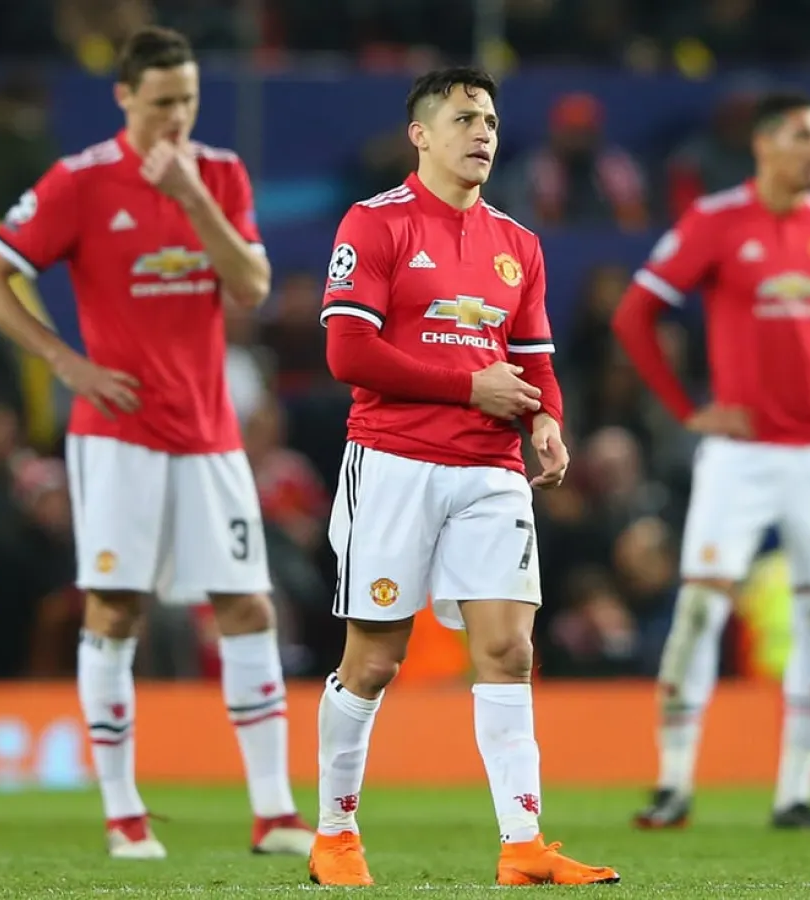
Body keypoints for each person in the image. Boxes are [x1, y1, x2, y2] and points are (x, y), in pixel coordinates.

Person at [0, 26, 312, 859]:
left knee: (248, 605)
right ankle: (123, 815)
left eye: (187, 99)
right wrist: (64, 362)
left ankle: (274, 812)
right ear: (124, 98)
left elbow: (252, 287)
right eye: (161, 104)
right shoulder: (80, 182)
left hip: (209, 433)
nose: (176, 117)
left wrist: (192, 199)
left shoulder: (218, 173)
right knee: (116, 607)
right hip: (117, 434)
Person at [308, 67, 619, 888]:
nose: (482, 132)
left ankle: (524, 845)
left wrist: (546, 419)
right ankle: (335, 836)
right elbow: (347, 352)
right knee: (374, 662)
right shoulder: (374, 224)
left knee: (509, 650)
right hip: (395, 461)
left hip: (490, 468)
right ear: (420, 134)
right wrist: (466, 385)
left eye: (489, 119)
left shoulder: (519, 243)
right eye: (463, 118)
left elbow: (534, 359)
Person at [611, 90, 810, 831]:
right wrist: (689, 409)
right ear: (763, 145)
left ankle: (796, 793)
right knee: (699, 606)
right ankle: (674, 783)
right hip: (742, 454)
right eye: (800, 136)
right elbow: (636, 314)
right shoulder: (716, 222)